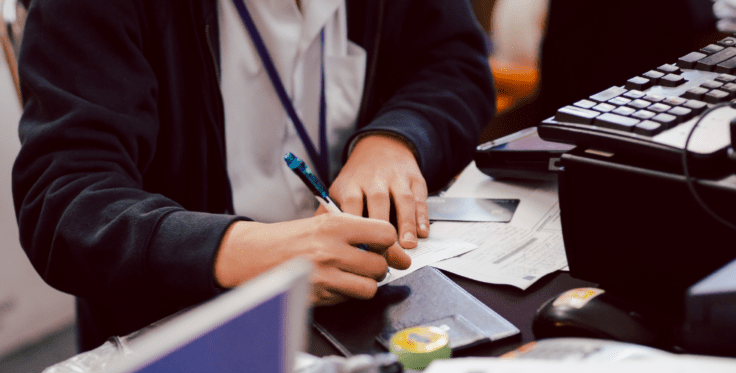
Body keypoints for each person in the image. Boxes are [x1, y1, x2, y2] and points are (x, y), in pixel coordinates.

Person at [12, 0, 495, 351]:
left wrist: (394, 139)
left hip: (366, 300)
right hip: (186, 330)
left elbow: (455, 64)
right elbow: (64, 202)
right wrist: (238, 252)